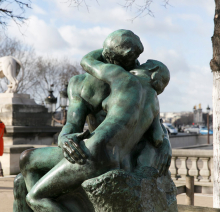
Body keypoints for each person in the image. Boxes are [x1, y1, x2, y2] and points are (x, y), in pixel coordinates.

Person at [13, 30, 172, 212]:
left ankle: (42, 201)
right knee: (21, 182)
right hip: (103, 154)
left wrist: (166, 143)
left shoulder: (129, 82)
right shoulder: (104, 82)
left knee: (31, 184)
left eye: (139, 59)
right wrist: (65, 138)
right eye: (133, 58)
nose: (137, 63)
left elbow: (87, 60)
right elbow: (72, 124)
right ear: (116, 59)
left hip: (101, 156)